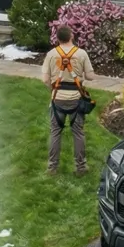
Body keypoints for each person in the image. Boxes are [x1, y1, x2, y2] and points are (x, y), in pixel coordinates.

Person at [43, 25, 97, 175]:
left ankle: (52, 167)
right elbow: (91, 76)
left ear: (58, 38)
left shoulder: (51, 54)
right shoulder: (81, 54)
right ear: (71, 36)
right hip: (76, 99)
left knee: (55, 132)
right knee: (78, 133)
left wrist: (53, 89)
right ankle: (81, 167)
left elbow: (45, 79)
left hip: (57, 99)